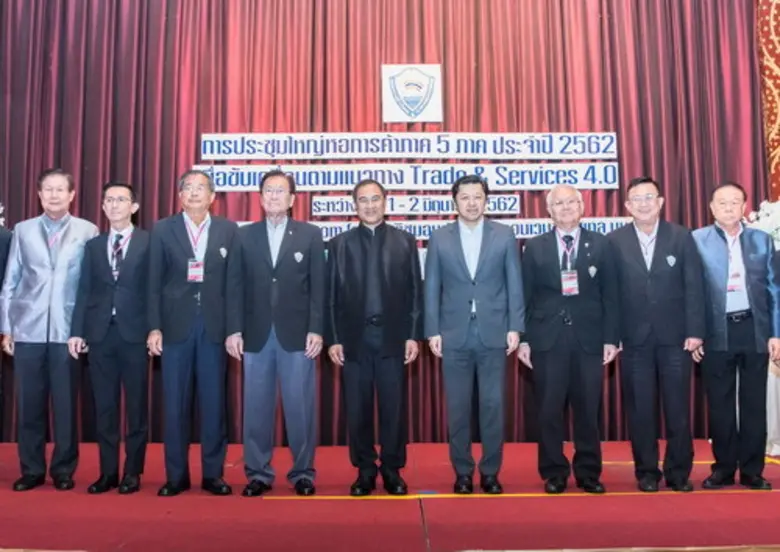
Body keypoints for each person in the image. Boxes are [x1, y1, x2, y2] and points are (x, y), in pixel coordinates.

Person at [225, 170, 324, 497]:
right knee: (256, 407)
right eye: (268, 190)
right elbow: (234, 286)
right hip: (255, 334)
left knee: (300, 407)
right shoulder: (243, 235)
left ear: (292, 199)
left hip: (297, 334)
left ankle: (303, 473)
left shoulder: (310, 234)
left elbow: (318, 287)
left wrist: (316, 329)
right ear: (260, 197)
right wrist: (233, 329)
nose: (273, 196)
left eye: (280, 191)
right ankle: (258, 473)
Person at [424, 174, 524, 495]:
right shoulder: (439, 237)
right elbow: (431, 286)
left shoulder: (504, 234)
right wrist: (432, 330)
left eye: (477, 196)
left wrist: (515, 327)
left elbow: (514, 283)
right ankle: (463, 472)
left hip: (494, 332)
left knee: (493, 406)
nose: (471, 203)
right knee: (458, 408)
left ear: (486, 200)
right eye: (465, 197)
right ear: (455, 201)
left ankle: (491, 472)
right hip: (453, 333)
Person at [0, 168, 99, 491]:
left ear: (72, 195)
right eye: (48, 190)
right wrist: (7, 328)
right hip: (27, 329)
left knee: (65, 405)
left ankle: (63, 470)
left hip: (67, 332)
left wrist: (85, 329)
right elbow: (10, 282)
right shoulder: (23, 230)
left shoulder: (87, 230)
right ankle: (31, 470)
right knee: (29, 405)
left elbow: (92, 286)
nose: (54, 195)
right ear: (39, 194)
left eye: (60, 190)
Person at [518, 184, 619, 495]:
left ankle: (588, 472)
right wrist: (523, 339)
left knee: (588, 409)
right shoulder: (534, 247)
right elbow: (524, 296)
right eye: (558, 204)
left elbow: (612, 296)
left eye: (571, 202)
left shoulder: (601, 244)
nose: (565, 208)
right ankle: (554, 472)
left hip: (589, 339)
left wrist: (611, 339)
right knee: (549, 410)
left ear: (582, 206)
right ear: (549, 210)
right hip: (547, 339)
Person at [326, 179, 423, 496]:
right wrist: (334, 338)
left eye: (375, 199)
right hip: (353, 341)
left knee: (394, 410)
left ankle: (392, 470)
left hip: (393, 339)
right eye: (363, 200)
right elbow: (330, 298)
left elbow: (415, 293)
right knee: (358, 410)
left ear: (385, 202)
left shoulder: (405, 241)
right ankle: (365, 470)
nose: (370, 205)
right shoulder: (339, 244)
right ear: (354, 205)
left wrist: (413, 336)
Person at [608, 176, 704, 492]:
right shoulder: (615, 241)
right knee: (640, 411)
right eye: (637, 198)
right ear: (627, 205)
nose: (644, 203)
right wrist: (612, 336)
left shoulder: (681, 236)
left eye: (649, 197)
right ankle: (647, 472)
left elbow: (694, 286)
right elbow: (610, 295)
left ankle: (678, 473)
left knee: (677, 410)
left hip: (676, 339)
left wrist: (695, 331)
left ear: (661, 202)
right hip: (633, 340)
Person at [147, 169, 237, 497]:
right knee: (175, 405)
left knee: (214, 405)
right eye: (189, 187)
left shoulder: (228, 230)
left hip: (214, 327)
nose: (195, 193)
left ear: (212, 197)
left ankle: (213, 474)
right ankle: (176, 476)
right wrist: (154, 326)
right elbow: (153, 282)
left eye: (201, 188)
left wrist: (234, 329)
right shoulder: (162, 229)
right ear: (180, 195)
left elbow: (234, 284)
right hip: (175, 328)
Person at [693, 181, 780, 491]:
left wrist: (776, 334)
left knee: (754, 403)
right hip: (715, 330)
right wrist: (695, 333)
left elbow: (774, 290)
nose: (729, 207)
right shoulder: (697, 240)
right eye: (722, 202)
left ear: (744, 206)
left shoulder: (762, 240)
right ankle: (724, 469)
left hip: (754, 329)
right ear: (712, 208)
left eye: (735, 202)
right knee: (720, 404)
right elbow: (691, 292)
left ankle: (753, 471)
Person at [69, 182, 150, 494]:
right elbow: (84, 290)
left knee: (136, 408)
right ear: (103, 206)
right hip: (100, 334)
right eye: (109, 200)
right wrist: (78, 331)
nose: (114, 205)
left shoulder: (148, 242)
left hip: (135, 335)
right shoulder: (93, 246)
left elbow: (154, 290)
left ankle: (133, 472)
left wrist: (155, 328)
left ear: (134, 207)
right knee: (104, 407)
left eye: (121, 200)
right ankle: (108, 472)